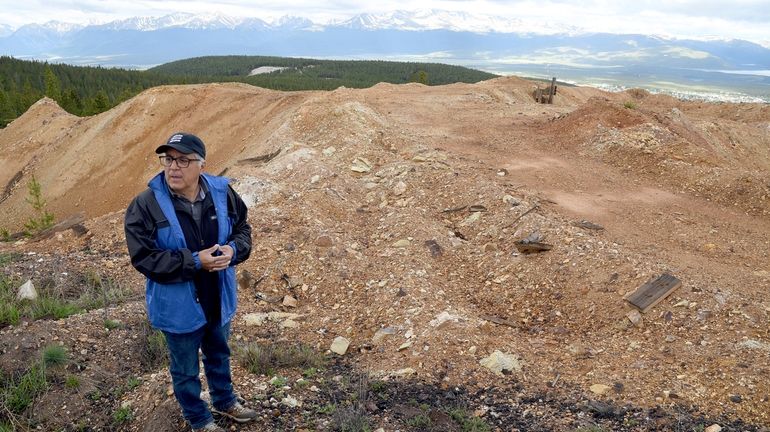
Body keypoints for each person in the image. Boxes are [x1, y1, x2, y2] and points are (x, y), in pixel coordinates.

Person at [124, 132, 257, 432]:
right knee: (185, 369)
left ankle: (225, 402)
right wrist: (196, 261)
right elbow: (144, 258)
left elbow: (243, 230)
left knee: (219, 353)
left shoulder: (222, 194)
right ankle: (199, 420)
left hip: (217, 295)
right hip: (178, 305)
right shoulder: (145, 205)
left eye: (183, 160)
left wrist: (234, 250)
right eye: (168, 159)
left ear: (201, 164)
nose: (173, 167)